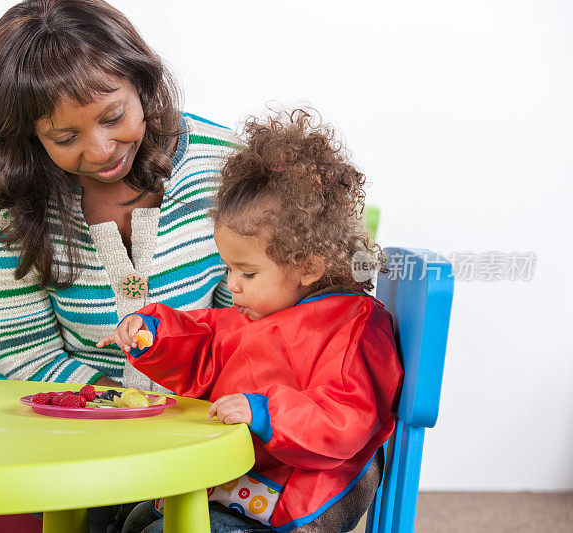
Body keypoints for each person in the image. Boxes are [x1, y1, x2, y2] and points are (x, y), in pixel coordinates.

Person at [0, 0, 237, 530]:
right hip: (70, 440)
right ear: (26, 138)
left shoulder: (219, 163)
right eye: (65, 139)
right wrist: (128, 417)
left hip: (204, 429)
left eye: (114, 116)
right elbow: (25, 354)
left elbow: (244, 323)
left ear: (144, 85)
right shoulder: (4, 195)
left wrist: (186, 426)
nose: (102, 148)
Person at [97, 109, 404, 533]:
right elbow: (205, 345)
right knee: (133, 520)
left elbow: (345, 415)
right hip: (241, 473)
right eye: (228, 269)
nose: (231, 285)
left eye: (247, 273)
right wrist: (154, 334)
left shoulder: (352, 324)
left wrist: (267, 413)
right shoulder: (259, 312)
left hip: (302, 487)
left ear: (308, 266)